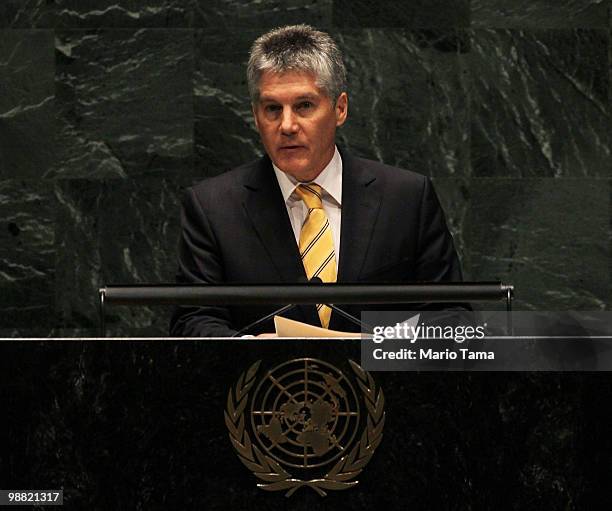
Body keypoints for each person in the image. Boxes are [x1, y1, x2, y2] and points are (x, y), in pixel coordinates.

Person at [169, 24, 463, 337]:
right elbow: (192, 321)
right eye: (272, 109)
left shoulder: (406, 198)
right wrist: (249, 347)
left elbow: (452, 317)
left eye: (304, 106)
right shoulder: (213, 207)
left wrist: (378, 347)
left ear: (340, 109)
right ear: (255, 117)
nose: (287, 125)